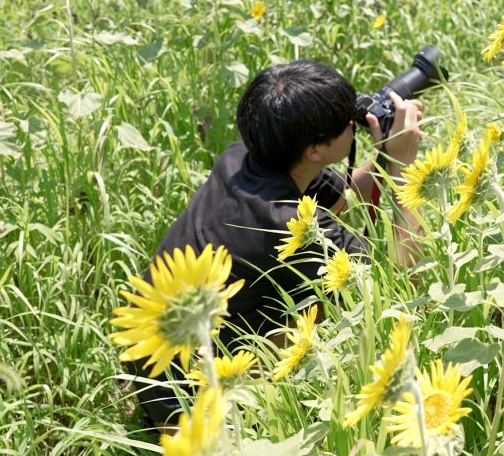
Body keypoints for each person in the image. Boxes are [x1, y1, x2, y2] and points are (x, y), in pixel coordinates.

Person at [129, 59, 425, 430]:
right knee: (345, 304)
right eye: (348, 123)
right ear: (313, 151)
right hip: (192, 404)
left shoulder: (244, 157)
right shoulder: (287, 225)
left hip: (151, 358)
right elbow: (401, 281)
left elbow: (345, 200)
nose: (355, 123)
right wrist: (405, 166)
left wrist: (386, 154)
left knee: (318, 290)